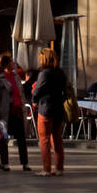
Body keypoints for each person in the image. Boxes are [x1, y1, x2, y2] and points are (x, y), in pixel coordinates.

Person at [33, 47, 67, 177]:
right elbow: (65, 90)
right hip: (58, 108)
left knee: (44, 139)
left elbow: (38, 90)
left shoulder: (44, 73)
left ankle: (46, 169)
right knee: (57, 139)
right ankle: (59, 168)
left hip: (46, 108)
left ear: (44, 59)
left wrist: (34, 100)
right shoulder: (60, 73)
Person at [0, 54, 30, 171]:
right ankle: (5, 163)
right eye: (11, 62)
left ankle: (25, 163)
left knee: (21, 138)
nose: (14, 63)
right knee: (4, 138)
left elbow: (20, 92)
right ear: (6, 64)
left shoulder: (16, 76)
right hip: (6, 111)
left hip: (17, 111)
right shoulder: (0, 78)